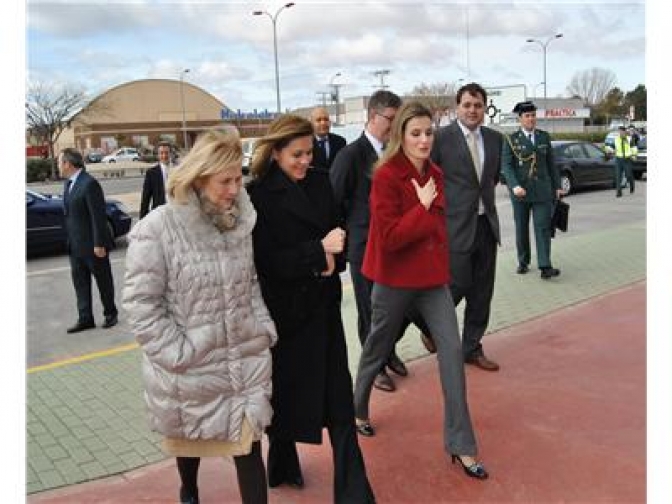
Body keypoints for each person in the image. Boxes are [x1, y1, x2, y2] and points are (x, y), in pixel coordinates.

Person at [123, 129, 276, 504]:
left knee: (249, 446)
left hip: (244, 359)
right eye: (225, 181)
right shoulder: (158, 228)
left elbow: (250, 281)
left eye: (239, 179)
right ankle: (189, 491)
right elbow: (142, 304)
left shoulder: (239, 223)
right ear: (199, 177)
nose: (234, 189)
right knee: (189, 438)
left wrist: (262, 327)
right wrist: (178, 352)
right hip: (190, 365)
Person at [353, 101, 488, 480]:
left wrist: (445, 262)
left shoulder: (437, 174)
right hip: (393, 280)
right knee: (377, 348)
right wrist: (423, 207)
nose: (424, 139)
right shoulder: (386, 176)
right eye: (416, 133)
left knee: (451, 354)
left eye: (429, 132)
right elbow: (391, 237)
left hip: (431, 282)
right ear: (401, 136)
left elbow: (438, 229)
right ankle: (358, 407)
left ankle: (462, 445)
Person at [247, 115, 375, 504]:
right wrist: (318, 252)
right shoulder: (258, 195)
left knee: (338, 398)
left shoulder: (321, 182)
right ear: (276, 152)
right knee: (284, 395)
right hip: (286, 313)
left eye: (308, 153)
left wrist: (334, 252)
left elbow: (341, 232)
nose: (305, 161)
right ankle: (283, 462)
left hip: (323, 307)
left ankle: (354, 492)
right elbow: (265, 261)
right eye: (296, 155)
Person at [330, 89, 423, 393]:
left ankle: (389, 352)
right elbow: (335, 201)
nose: (395, 128)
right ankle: (374, 369)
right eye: (391, 120)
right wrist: (350, 237)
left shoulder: (394, 154)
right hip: (364, 249)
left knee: (393, 309)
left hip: (395, 246)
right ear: (373, 117)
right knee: (369, 310)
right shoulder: (351, 155)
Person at [430, 82, 503, 372]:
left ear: (485, 108)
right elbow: (430, 181)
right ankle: (431, 330)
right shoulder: (440, 139)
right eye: (467, 105)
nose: (472, 111)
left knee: (482, 291)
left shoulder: (496, 139)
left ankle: (471, 347)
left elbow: (492, 179)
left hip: (486, 225)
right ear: (457, 108)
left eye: (478, 105)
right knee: (456, 285)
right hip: (454, 228)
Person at [59, 148, 118, 333]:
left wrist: (99, 243)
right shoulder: (68, 184)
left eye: (60, 162)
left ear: (68, 164)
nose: (58, 166)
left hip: (93, 246)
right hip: (75, 246)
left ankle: (110, 313)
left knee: (103, 281)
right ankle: (85, 318)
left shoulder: (89, 183)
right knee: (80, 283)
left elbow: (98, 217)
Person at [501, 100, 563, 279]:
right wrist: (514, 186)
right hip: (521, 192)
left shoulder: (544, 137)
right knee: (521, 228)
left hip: (542, 190)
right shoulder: (511, 140)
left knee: (543, 227)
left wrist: (557, 186)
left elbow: (552, 164)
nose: (531, 119)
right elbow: (507, 166)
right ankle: (523, 261)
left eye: (533, 115)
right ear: (520, 118)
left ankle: (545, 265)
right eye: (527, 116)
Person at [139, 141, 173, 218]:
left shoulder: (177, 171)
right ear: (158, 155)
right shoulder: (151, 173)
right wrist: (142, 219)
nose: (164, 156)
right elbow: (145, 198)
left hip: (175, 213)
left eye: (166, 153)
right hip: (159, 215)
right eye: (161, 153)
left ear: (171, 154)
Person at [310, 106, 347, 170]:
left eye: (326, 119)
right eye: (318, 120)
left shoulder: (340, 142)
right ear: (311, 123)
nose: (323, 123)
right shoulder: (306, 143)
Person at [614, 125, 636, 196]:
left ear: (624, 132)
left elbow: (633, 148)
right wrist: (608, 151)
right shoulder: (616, 139)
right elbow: (610, 146)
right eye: (619, 131)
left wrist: (634, 155)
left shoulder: (629, 139)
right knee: (618, 176)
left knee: (629, 175)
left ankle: (632, 185)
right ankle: (619, 192)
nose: (620, 133)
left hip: (627, 159)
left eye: (621, 131)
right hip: (618, 159)